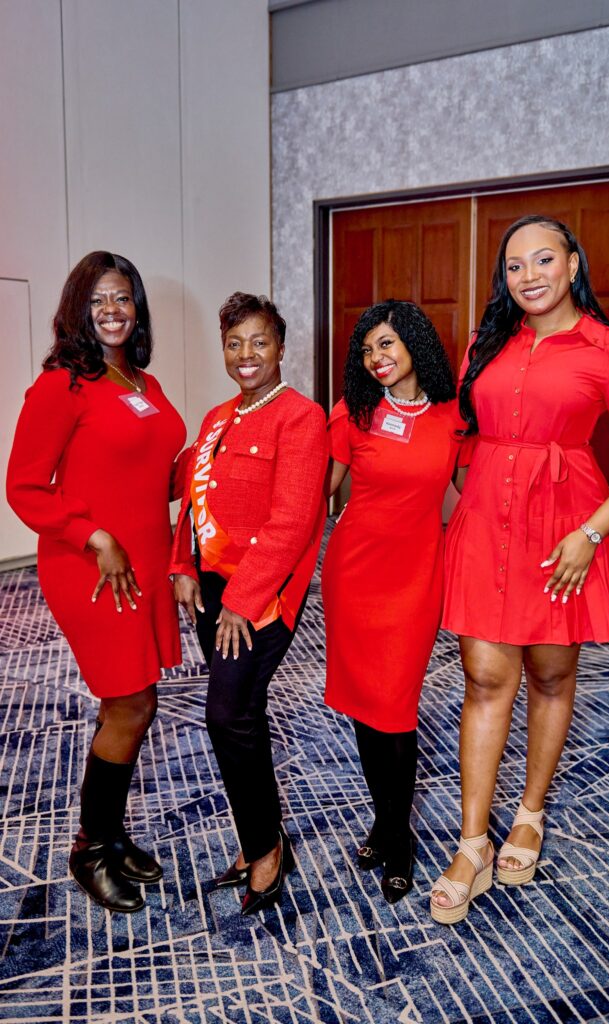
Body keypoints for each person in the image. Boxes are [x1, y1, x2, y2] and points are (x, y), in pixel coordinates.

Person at [430, 215, 609, 925]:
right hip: (487, 524)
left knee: (549, 673)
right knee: (483, 676)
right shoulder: (486, 343)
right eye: (514, 266)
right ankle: (472, 843)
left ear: (572, 264)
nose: (528, 276)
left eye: (543, 260)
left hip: (565, 531)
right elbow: (462, 432)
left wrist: (592, 533)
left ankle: (530, 814)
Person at [6, 251, 186, 914]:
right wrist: (94, 536)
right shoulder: (63, 384)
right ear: (78, 309)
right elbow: (24, 486)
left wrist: (217, 458)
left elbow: (155, 473)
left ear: (137, 307)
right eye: (98, 300)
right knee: (130, 704)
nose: (111, 311)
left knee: (137, 702)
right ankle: (89, 848)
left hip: (145, 561)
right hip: (93, 568)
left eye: (122, 298)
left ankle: (109, 834)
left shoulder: (143, 381)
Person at [171, 292, 327, 916]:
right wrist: (183, 566)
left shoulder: (301, 417)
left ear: (280, 347)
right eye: (234, 343)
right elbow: (195, 499)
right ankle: (260, 837)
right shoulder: (216, 417)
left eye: (259, 341)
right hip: (211, 590)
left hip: (259, 595)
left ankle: (266, 849)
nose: (246, 354)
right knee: (240, 715)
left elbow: (293, 522)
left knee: (226, 714)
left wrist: (239, 601)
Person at [322, 300, 461, 903]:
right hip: (354, 574)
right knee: (365, 706)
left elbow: (475, 490)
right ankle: (385, 824)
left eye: (386, 343)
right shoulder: (353, 413)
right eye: (366, 350)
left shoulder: (454, 416)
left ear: (414, 342)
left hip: (415, 578)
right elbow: (317, 491)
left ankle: (397, 837)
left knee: (396, 706)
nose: (376, 358)